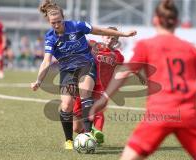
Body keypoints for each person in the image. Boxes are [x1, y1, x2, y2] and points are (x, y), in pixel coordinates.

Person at [90, 0, 196, 160]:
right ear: (177, 22)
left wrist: (104, 98)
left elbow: (123, 73)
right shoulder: (191, 48)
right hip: (187, 115)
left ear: (155, 20)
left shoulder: (146, 45)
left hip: (158, 115)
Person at [30, 0, 136, 150]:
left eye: (59, 21)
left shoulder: (77, 26)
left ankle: (88, 135)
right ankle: (68, 140)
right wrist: (38, 80)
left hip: (86, 65)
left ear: (63, 18)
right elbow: (46, 61)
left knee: (85, 93)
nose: (56, 25)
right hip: (67, 71)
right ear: (48, 21)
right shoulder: (50, 37)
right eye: (53, 23)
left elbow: (100, 31)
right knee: (66, 105)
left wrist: (123, 34)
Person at [73, 27, 125, 145]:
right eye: (108, 36)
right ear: (102, 36)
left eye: (113, 38)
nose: (110, 40)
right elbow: (81, 42)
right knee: (76, 126)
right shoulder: (94, 46)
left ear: (116, 41)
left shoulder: (118, 56)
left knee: (97, 110)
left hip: (101, 87)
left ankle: (97, 132)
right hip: (85, 84)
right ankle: (87, 136)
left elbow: (120, 72)